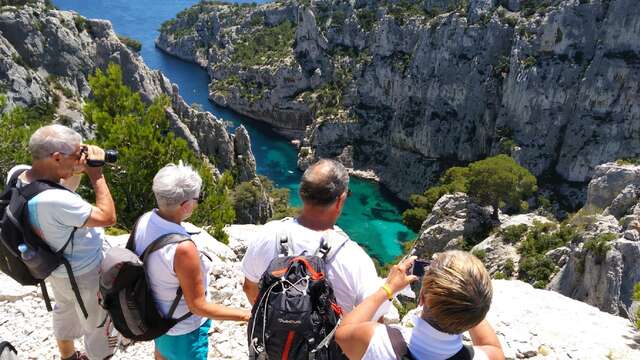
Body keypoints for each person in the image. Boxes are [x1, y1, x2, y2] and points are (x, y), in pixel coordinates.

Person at [6, 124, 117, 360]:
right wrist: (96, 174)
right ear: (56, 158)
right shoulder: (55, 201)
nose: (82, 158)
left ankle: (68, 356)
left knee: (65, 309)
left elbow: (55, 187)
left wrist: (71, 168)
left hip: (56, 268)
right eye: (77, 154)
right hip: (83, 273)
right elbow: (108, 217)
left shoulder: (19, 175)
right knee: (97, 323)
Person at [241, 158, 391, 318]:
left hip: (269, 341)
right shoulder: (355, 258)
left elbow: (249, 287)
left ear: (301, 193)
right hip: (329, 342)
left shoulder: (268, 233)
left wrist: (269, 320)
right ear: (340, 200)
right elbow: (373, 320)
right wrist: (390, 288)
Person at [131, 163, 251, 360]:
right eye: (198, 199)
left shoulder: (144, 220)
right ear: (185, 205)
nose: (197, 203)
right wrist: (245, 314)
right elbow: (198, 306)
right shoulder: (183, 249)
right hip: (182, 330)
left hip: (155, 318)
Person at [335, 251, 504, 360]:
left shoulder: (374, 340)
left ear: (421, 298)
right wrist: (469, 302)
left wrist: (388, 288)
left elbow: (344, 331)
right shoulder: (488, 357)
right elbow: (492, 346)